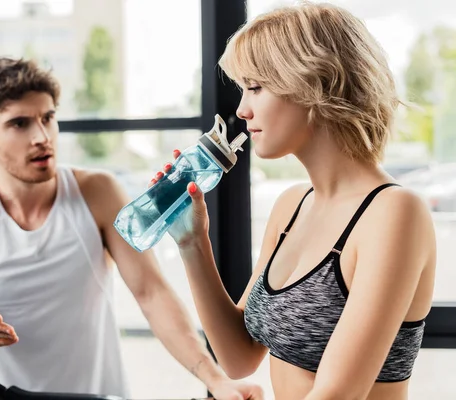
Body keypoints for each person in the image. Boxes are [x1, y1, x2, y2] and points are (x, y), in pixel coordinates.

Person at [0, 57, 264, 400]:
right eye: (19, 123)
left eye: (48, 118)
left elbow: (153, 295)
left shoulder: (97, 191)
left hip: (95, 395)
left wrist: (214, 377)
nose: (41, 136)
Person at [153, 2, 436, 400]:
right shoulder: (292, 206)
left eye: (255, 87)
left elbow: (338, 394)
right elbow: (239, 356)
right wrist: (192, 242)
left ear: (313, 82)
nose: (241, 109)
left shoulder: (393, 214)